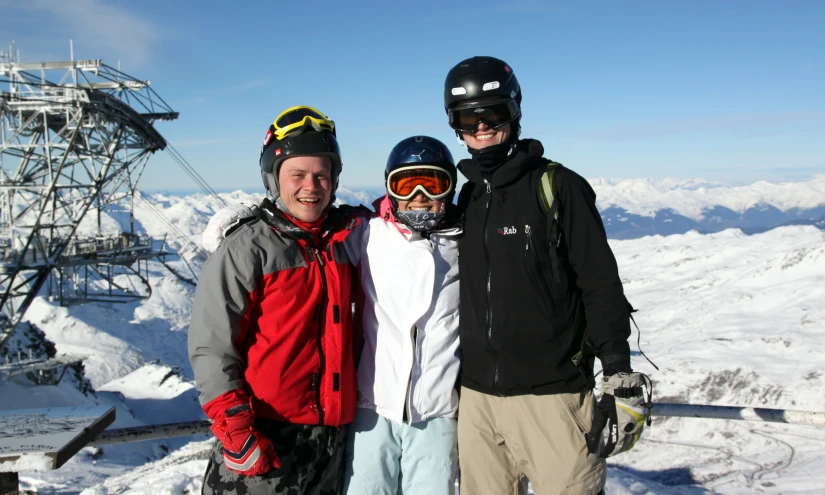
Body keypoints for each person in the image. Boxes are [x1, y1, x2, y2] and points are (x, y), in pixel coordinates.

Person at [443, 56, 651, 495]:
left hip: (553, 401)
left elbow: (599, 284)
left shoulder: (558, 187)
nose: (481, 126)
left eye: (492, 112)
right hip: (478, 402)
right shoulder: (467, 198)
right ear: (455, 126)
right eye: (468, 117)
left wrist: (618, 373)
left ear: (514, 112)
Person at [188, 106, 363, 494]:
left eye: (322, 175)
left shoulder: (346, 240)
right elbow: (211, 346)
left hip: (331, 442)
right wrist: (235, 429)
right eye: (297, 175)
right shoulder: (247, 248)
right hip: (265, 437)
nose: (311, 186)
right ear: (273, 178)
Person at [342, 136, 462, 494]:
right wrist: (246, 222)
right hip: (373, 403)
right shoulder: (367, 234)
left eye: (433, 183)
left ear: (450, 188)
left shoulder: (465, 240)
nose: (420, 195)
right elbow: (308, 237)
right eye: (407, 184)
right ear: (391, 188)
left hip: (436, 411)